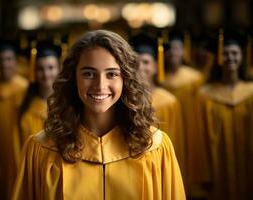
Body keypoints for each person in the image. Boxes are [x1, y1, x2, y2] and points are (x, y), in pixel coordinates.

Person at [12, 30, 185, 200]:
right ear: (73, 78)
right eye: (88, 74)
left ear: (126, 79)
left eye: (112, 74)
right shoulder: (42, 149)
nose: (100, 85)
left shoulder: (155, 146)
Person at [199, 30, 253, 200]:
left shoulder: (251, 92)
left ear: (242, 56)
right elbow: (200, 137)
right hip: (217, 166)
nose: (230, 57)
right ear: (218, 58)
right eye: (225, 53)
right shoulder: (205, 94)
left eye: (235, 53)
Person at [129, 31, 186, 181]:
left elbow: (177, 143)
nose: (141, 67)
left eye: (146, 62)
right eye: (136, 63)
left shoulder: (169, 101)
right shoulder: (126, 100)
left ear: (155, 66)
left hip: (163, 166)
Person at [162, 30, 209, 197]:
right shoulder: (160, 80)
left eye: (177, 48)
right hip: (170, 129)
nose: (173, 53)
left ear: (184, 50)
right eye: (169, 49)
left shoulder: (195, 78)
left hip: (191, 128)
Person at [0, 40, 28, 199]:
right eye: (0, 60)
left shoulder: (24, 89)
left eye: (9, 59)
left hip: (18, 145)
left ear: (16, 62)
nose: (4, 64)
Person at [16, 40, 61, 152]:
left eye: (51, 68)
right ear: (34, 72)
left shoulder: (68, 104)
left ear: (59, 69)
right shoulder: (26, 108)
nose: (46, 74)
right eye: (40, 69)